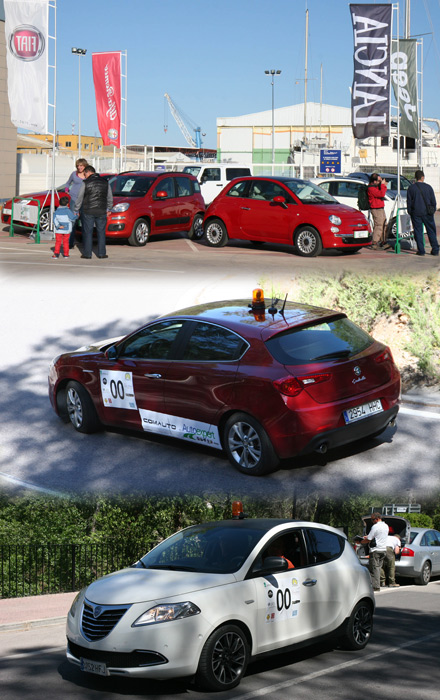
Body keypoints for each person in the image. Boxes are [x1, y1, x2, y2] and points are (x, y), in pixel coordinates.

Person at [74, 165, 113, 259]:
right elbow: (109, 197)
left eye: (85, 174)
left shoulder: (86, 182)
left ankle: (87, 254)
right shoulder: (105, 182)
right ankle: (102, 253)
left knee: (88, 232)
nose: (84, 176)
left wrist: (76, 209)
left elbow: (80, 197)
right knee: (101, 232)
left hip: (88, 210)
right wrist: (109, 208)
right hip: (101, 210)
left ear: (88, 172)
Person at [406, 169, 439, 257]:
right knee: (431, 231)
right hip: (428, 213)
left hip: (416, 212)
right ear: (423, 177)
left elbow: (409, 202)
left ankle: (421, 250)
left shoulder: (411, 188)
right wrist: (432, 210)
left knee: (418, 231)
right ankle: (435, 249)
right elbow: (433, 201)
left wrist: (410, 212)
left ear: (415, 178)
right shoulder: (429, 187)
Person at [361, 512, 389, 591]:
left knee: (374, 569)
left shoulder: (375, 526)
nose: (372, 521)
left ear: (377, 519)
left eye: (373, 520)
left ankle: (375, 586)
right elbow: (378, 536)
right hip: (383, 549)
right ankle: (378, 583)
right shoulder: (385, 526)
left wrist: (360, 541)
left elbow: (369, 539)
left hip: (375, 550)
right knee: (378, 568)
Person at [64, 158, 88, 249]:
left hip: (85, 201)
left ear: (85, 166)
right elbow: (67, 183)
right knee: (73, 221)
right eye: (78, 166)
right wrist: (67, 189)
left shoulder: (87, 175)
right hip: (74, 199)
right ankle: (70, 242)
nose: (79, 167)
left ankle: (85, 242)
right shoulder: (74, 174)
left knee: (85, 221)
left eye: (81, 165)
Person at [367, 173, 391, 250]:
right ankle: (374, 242)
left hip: (380, 207)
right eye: (379, 180)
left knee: (384, 224)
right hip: (376, 208)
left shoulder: (376, 186)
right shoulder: (371, 188)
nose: (380, 182)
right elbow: (381, 194)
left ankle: (383, 241)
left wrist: (382, 185)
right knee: (379, 225)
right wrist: (383, 185)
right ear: (374, 181)